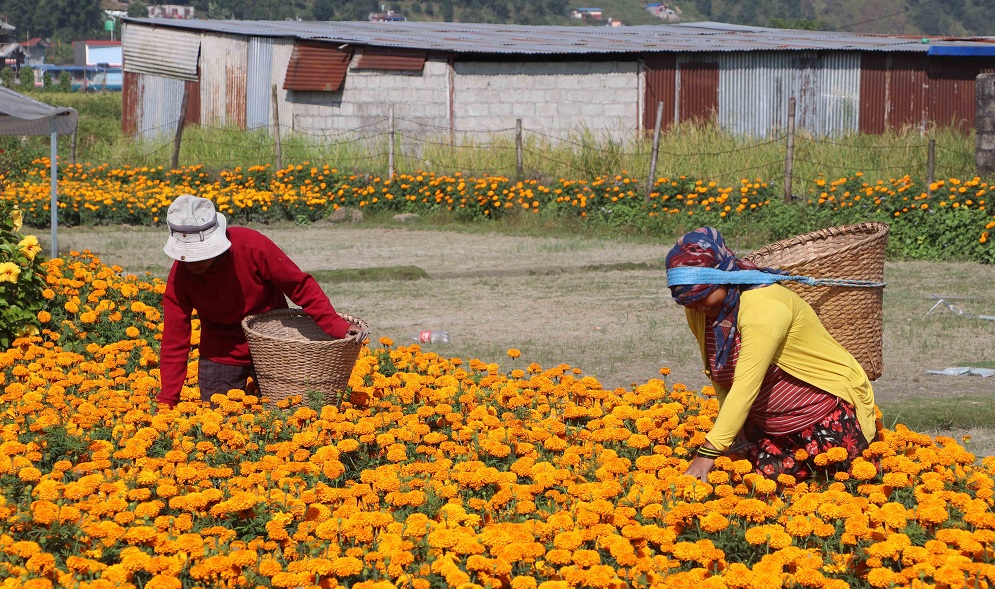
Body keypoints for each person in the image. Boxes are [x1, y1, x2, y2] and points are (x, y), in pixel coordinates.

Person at [666, 227, 876, 484]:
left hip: (825, 419)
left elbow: (746, 384)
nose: (696, 307)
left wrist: (709, 452)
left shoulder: (764, 306)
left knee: (847, 490)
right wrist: (734, 431)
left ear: (722, 277)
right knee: (757, 494)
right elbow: (719, 372)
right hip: (771, 431)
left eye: (701, 297)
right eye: (686, 302)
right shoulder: (700, 311)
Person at [156, 194, 367, 408]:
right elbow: (175, 337)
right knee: (219, 418)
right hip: (221, 353)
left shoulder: (252, 246)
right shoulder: (181, 275)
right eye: (186, 257)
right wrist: (168, 400)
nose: (191, 264)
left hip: (272, 345)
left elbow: (299, 285)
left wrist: (336, 325)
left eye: (199, 256)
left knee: (287, 414)